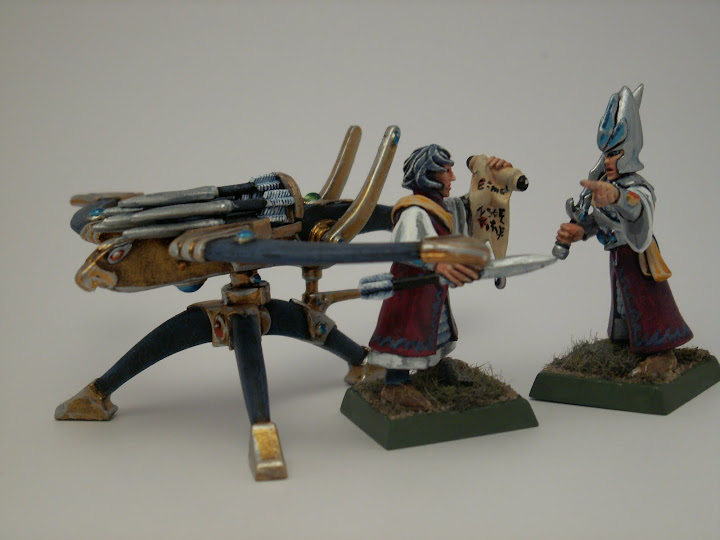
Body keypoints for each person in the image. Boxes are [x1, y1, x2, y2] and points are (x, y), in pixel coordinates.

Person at [556, 84, 692, 377]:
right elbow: (601, 220)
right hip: (618, 255)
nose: (608, 161)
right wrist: (580, 230)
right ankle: (629, 340)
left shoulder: (635, 188)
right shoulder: (606, 186)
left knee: (648, 302)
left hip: (637, 256)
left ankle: (661, 351)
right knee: (623, 302)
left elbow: (636, 207)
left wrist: (617, 196)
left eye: (615, 153)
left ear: (628, 152)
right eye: (606, 154)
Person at [367, 144, 510, 410]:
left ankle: (433, 367)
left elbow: (474, 209)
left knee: (435, 329)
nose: (452, 177)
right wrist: (439, 264)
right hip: (412, 291)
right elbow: (406, 247)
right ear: (428, 175)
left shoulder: (439, 206)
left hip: (432, 290)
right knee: (406, 332)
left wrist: (492, 178)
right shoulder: (414, 212)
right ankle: (395, 385)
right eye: (446, 171)